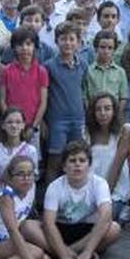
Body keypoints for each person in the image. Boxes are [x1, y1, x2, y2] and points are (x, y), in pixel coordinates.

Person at [42, 140, 120, 259]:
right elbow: (49, 223)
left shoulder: (99, 183)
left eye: (82, 160)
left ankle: (73, 253)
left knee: (114, 228)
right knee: (28, 227)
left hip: (88, 230)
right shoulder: (55, 186)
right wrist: (63, 256)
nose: (77, 164)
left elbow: (106, 215)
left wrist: (88, 250)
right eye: (72, 161)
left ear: (89, 165)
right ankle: (67, 256)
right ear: (64, 166)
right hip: (61, 229)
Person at [43, 22, 89, 180]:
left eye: (72, 39)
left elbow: (84, 92)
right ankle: (50, 200)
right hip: (57, 120)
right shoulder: (49, 66)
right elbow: (44, 95)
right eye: (63, 39)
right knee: (55, 160)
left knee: (77, 159)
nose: (68, 43)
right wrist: (43, 121)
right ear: (56, 41)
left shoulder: (83, 64)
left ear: (78, 42)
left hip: (78, 119)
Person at [86, 93, 130, 224]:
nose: (102, 113)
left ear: (114, 111)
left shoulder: (124, 131)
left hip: (113, 192)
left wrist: (103, 197)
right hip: (89, 191)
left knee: (95, 220)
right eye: (98, 109)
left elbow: (116, 168)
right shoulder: (86, 132)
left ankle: (123, 208)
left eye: (107, 108)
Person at [0, 28, 49, 146]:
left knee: (32, 159)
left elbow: (43, 102)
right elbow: (2, 99)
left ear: (34, 46)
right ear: (14, 48)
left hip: (32, 126)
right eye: (20, 44)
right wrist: (11, 122)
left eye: (28, 44)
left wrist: (34, 126)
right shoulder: (6, 71)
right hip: (11, 126)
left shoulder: (41, 71)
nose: (25, 48)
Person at [0, 106, 40, 194]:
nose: (14, 126)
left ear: (23, 125)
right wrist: (4, 197)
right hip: (2, 196)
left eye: (18, 122)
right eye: (9, 122)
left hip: (24, 196)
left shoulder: (31, 150)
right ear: (3, 125)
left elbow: (32, 180)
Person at [83, 29, 128, 113]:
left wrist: (116, 114)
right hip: (94, 113)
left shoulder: (120, 72)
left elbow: (123, 97)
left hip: (113, 113)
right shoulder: (88, 71)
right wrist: (91, 112)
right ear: (96, 48)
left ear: (114, 50)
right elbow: (85, 96)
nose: (106, 51)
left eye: (110, 48)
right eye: (102, 47)